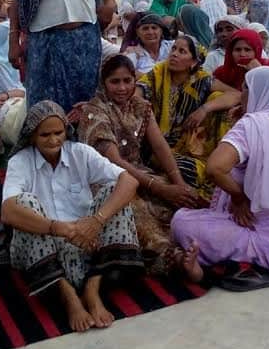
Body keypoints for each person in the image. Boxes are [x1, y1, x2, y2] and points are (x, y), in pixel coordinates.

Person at [172, 67, 269, 279]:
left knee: (181, 222)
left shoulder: (252, 125)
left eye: (246, 88)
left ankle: (207, 265)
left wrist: (239, 197)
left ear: (258, 92)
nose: (241, 93)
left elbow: (215, 168)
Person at [1, 101, 143, 332]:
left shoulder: (80, 152)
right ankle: (69, 297)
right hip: (44, 247)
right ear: (32, 136)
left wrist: (96, 221)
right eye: (45, 134)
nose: (53, 140)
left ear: (67, 130)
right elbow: (7, 211)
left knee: (113, 192)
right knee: (24, 204)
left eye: (59, 132)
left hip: (87, 241)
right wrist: (60, 228)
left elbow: (130, 181)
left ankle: (92, 289)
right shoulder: (21, 161)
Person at [78, 55, 204, 274]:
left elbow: (160, 145)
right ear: (103, 83)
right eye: (114, 82)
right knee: (135, 209)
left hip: (140, 174)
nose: (122, 88)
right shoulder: (94, 111)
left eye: (127, 81)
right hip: (108, 180)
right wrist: (160, 188)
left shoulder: (140, 105)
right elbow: (114, 162)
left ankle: (201, 244)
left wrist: (178, 185)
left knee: (187, 199)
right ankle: (172, 256)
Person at [137, 36, 238, 195]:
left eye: (182, 51)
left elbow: (235, 95)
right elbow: (137, 94)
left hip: (190, 143)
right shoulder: (157, 74)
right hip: (158, 147)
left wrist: (204, 109)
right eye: (174, 49)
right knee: (189, 170)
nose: (174, 54)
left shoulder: (201, 80)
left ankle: (220, 163)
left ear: (194, 62)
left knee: (218, 99)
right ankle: (210, 181)